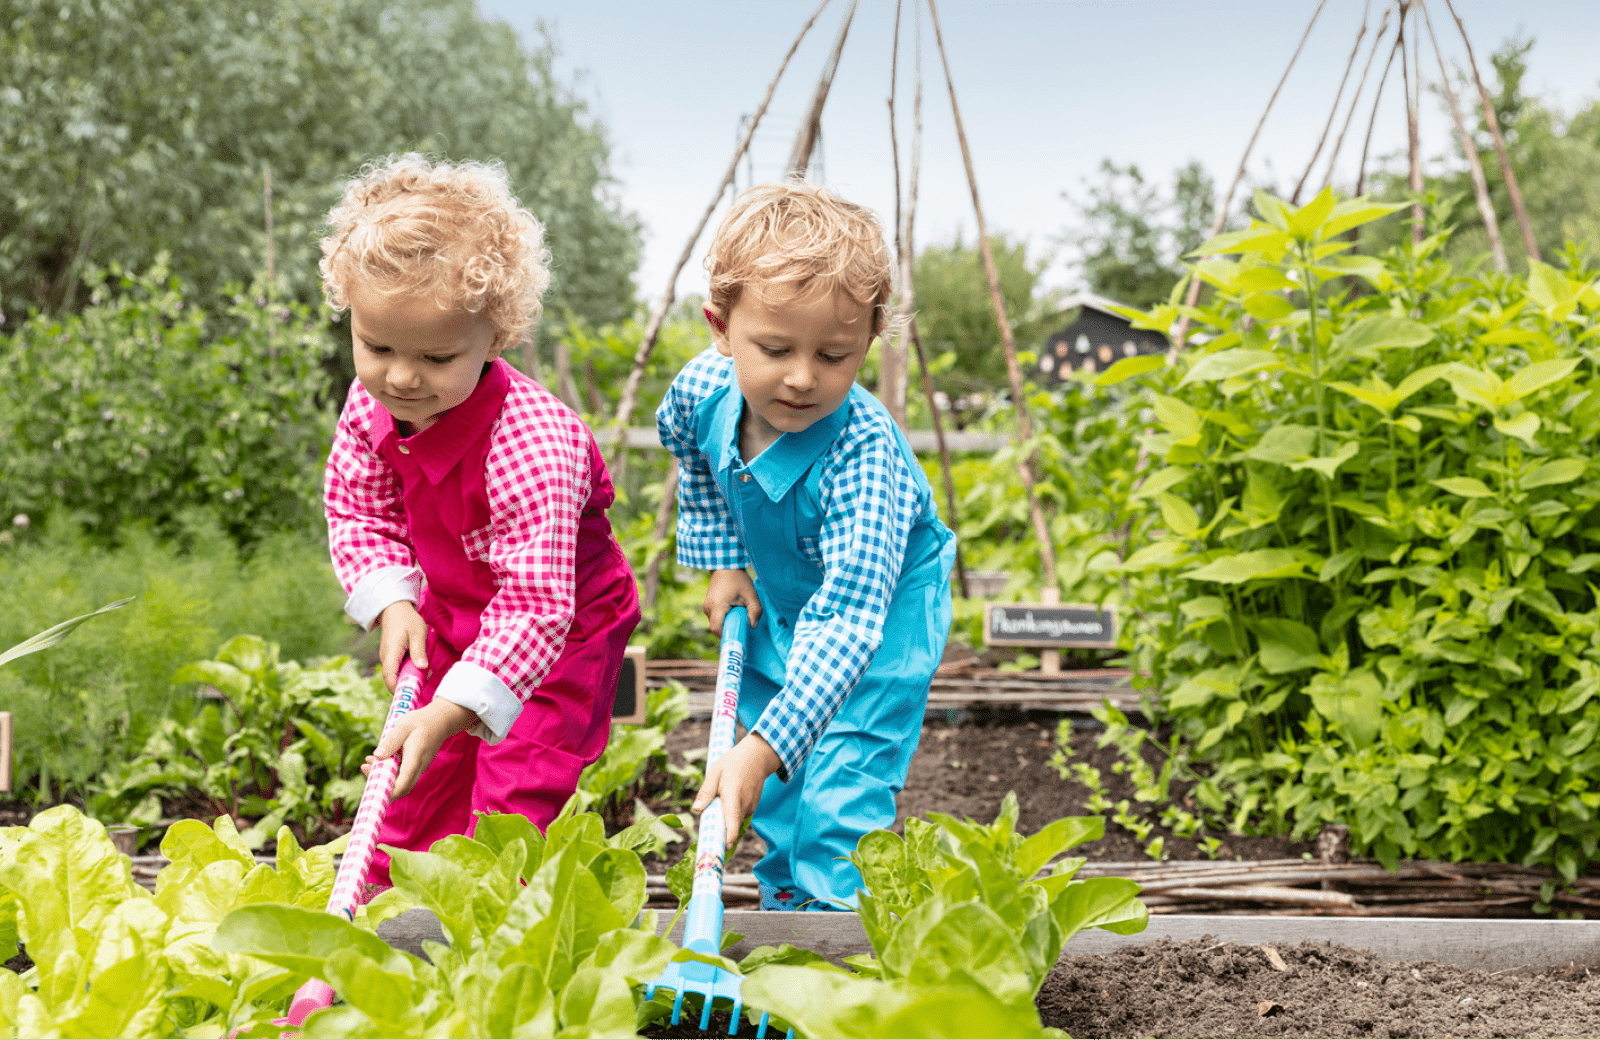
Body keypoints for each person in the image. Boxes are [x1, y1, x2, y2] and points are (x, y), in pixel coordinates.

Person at [320, 154, 639, 890]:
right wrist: (394, 600)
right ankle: (387, 916)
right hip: (455, 603)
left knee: (511, 791)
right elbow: (359, 508)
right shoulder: (373, 405)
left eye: (435, 356)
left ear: (494, 338)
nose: (401, 376)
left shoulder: (533, 445)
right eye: (378, 347)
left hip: (560, 629)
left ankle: (494, 944)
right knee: (414, 786)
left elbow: (534, 607)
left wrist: (452, 710)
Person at [656, 180, 956, 911]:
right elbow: (691, 454)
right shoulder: (702, 390)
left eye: (833, 355)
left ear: (869, 341)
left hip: (880, 616)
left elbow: (851, 619)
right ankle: (789, 909)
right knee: (778, 783)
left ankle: (841, 934)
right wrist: (725, 558)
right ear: (721, 328)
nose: (801, 377)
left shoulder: (864, 455)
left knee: (841, 781)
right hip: (789, 595)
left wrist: (761, 748)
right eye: (775, 348)